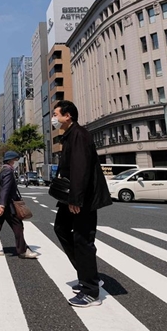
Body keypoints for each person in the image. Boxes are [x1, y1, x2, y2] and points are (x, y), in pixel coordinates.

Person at [52, 100, 112, 308]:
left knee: (82, 239)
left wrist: (76, 199)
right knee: (61, 228)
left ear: (67, 116)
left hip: (82, 198)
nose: (54, 118)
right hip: (73, 196)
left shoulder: (79, 135)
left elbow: (81, 169)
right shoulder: (70, 135)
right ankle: (90, 276)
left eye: (56, 114)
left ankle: (91, 291)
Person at [0, 150, 38, 259]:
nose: (15, 161)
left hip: (1, 202)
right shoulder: (8, 171)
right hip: (8, 204)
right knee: (18, 225)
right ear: (10, 160)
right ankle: (23, 251)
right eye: (15, 159)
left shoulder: (2, 170)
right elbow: (5, 189)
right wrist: (2, 205)